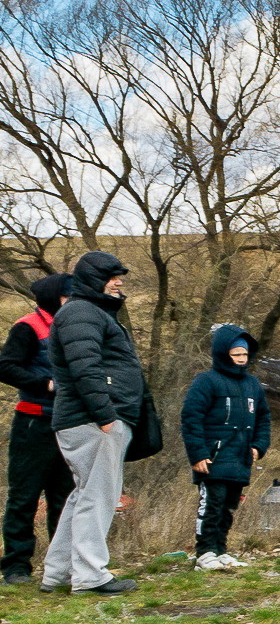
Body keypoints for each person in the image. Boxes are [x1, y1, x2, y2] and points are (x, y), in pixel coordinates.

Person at [41, 251, 146, 594]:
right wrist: (105, 417)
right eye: (111, 276)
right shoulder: (81, 313)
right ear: (92, 279)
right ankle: (90, 575)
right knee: (98, 496)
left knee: (85, 494)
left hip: (91, 418)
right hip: (92, 419)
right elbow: (84, 369)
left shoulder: (88, 312)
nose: (118, 282)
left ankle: (56, 573)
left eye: (119, 276)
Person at [0, 274, 74, 586]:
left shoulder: (75, 327)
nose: (75, 301)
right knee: (24, 496)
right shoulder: (27, 326)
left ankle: (61, 567)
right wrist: (46, 384)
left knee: (65, 497)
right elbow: (5, 366)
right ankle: (16, 567)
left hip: (69, 422)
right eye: (69, 296)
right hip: (33, 421)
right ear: (54, 297)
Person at [179, 323, 270, 571]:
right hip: (213, 459)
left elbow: (263, 419)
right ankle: (204, 553)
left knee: (229, 507)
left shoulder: (253, 385)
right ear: (223, 354)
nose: (241, 359)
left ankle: (220, 550)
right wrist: (197, 454)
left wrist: (259, 446)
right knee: (211, 506)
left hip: (240, 460)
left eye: (244, 354)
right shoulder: (206, 382)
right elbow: (191, 418)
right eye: (236, 354)